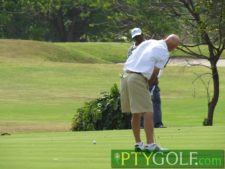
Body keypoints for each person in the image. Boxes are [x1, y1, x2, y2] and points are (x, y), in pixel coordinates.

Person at [120, 34, 180, 151]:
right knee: (148, 111)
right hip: (137, 78)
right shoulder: (164, 52)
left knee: (136, 112)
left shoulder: (150, 42)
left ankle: (138, 144)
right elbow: (155, 73)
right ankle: (150, 145)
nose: (174, 49)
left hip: (126, 76)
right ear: (172, 47)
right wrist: (153, 82)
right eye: (174, 47)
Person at [128, 28, 165, 128]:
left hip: (151, 77)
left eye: (139, 36)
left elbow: (156, 61)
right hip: (138, 79)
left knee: (155, 100)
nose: (138, 39)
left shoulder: (151, 46)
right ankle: (141, 125)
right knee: (140, 103)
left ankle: (158, 123)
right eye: (135, 37)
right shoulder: (131, 50)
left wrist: (155, 76)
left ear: (142, 35)